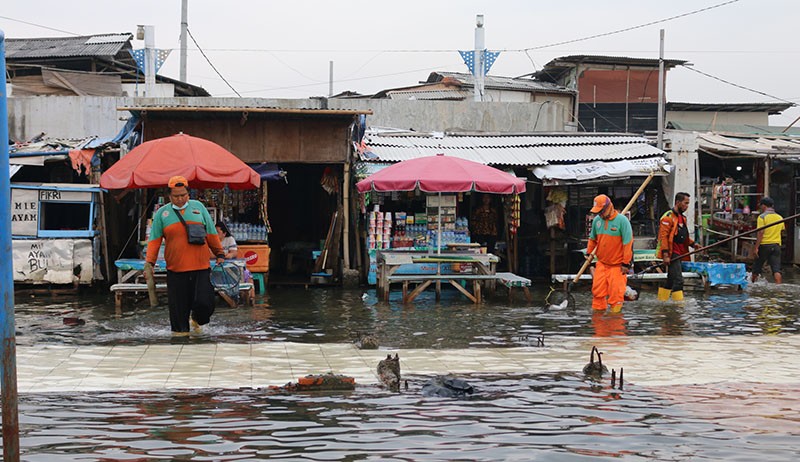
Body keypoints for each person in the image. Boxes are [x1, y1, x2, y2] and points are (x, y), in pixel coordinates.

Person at [145, 176, 225, 336]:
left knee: (205, 303)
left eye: (183, 195)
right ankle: (179, 343)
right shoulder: (162, 213)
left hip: (201, 267)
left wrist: (219, 253)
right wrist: (149, 263)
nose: (180, 199)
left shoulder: (199, 208)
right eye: (176, 196)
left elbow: (211, 233)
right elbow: (154, 240)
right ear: (169, 196)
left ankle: (196, 319)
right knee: (178, 315)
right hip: (176, 270)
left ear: (189, 193)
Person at [586, 194, 633, 313]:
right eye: (598, 212)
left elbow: (627, 244)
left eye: (601, 211)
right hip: (602, 263)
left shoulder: (622, 221)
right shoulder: (597, 220)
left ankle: (615, 324)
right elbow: (592, 239)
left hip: (617, 266)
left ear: (609, 207)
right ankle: (598, 323)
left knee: (616, 296)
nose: (600, 214)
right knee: (598, 293)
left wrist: (625, 264)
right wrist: (588, 254)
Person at [656, 192, 698, 301]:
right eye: (685, 203)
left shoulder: (682, 218)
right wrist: (665, 255)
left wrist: (693, 244)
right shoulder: (668, 217)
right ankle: (678, 307)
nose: (687, 206)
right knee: (679, 280)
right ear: (678, 202)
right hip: (671, 252)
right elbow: (663, 237)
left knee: (671, 279)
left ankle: (662, 301)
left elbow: (682, 236)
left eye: (688, 204)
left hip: (680, 252)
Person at [752, 196, 784, 284]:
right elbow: (782, 231)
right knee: (776, 270)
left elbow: (760, 233)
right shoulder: (780, 217)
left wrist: (756, 247)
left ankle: (752, 285)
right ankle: (779, 288)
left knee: (756, 268)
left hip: (764, 245)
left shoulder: (762, 217)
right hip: (776, 245)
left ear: (763, 206)